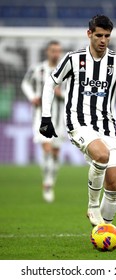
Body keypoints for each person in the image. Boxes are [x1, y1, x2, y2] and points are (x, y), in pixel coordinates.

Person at [39, 15, 116, 225]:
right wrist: (46, 116)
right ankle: (92, 206)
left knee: (114, 182)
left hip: (107, 127)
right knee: (102, 155)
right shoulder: (73, 59)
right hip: (78, 122)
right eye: (98, 35)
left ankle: (104, 228)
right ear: (89, 34)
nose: (103, 40)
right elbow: (50, 84)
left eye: (107, 36)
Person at [21, 41, 65, 203]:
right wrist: (32, 96)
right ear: (47, 51)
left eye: (58, 51)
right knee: (46, 149)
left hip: (60, 118)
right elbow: (25, 83)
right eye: (53, 50)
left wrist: (61, 95)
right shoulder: (37, 69)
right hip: (41, 116)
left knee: (55, 153)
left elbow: (73, 93)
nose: (56, 54)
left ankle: (51, 181)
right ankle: (47, 184)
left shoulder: (65, 70)